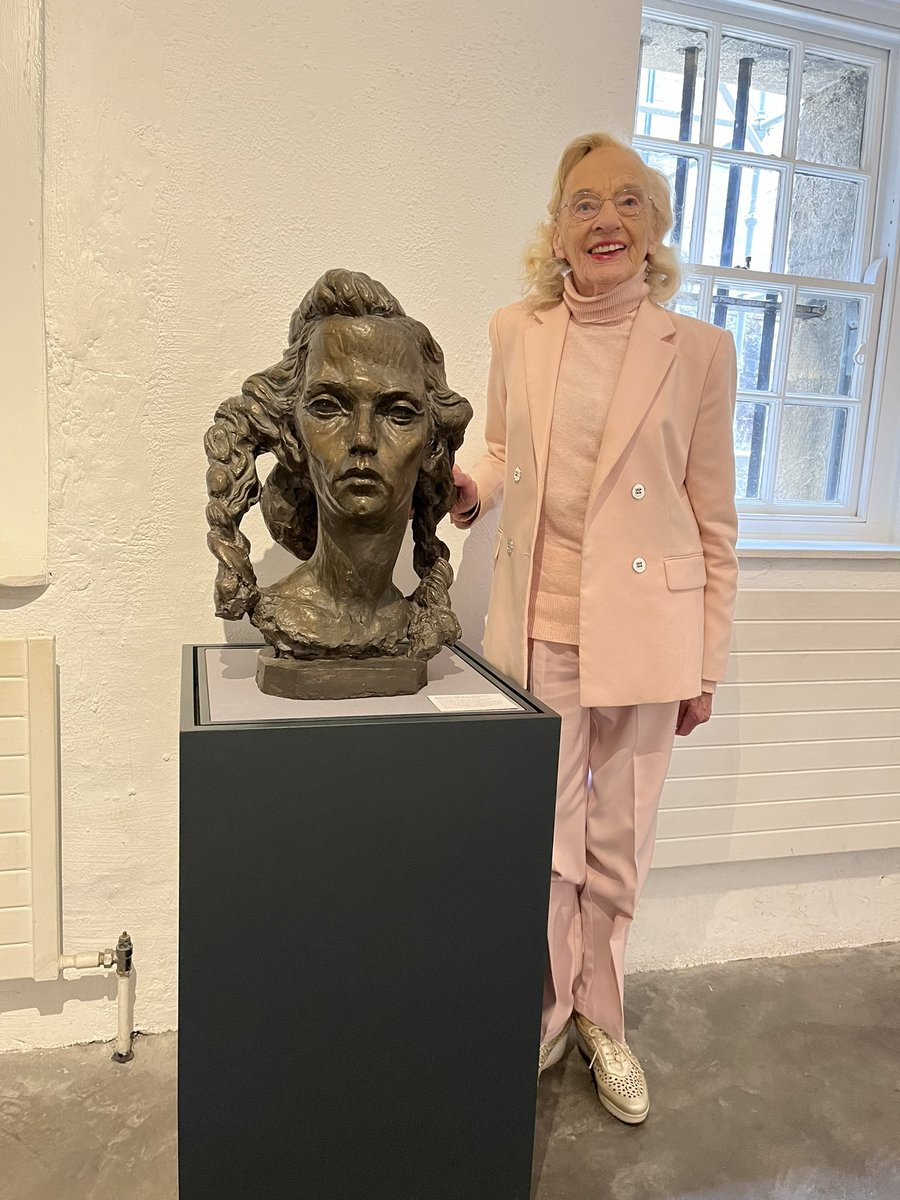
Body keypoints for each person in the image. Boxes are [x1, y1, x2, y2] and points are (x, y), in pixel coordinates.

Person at [451, 132, 738, 1124]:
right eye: (582, 204)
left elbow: (714, 516)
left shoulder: (699, 350)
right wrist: (467, 486)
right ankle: (541, 1016)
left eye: (625, 201)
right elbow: (494, 443)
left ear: (654, 227)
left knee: (618, 842)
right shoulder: (514, 329)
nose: (603, 219)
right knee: (547, 842)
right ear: (558, 229)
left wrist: (708, 660)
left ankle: (602, 1023)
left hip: (651, 634)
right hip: (538, 628)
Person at [205, 268, 472, 662]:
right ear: (292, 433)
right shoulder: (285, 611)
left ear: (432, 443)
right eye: (328, 407)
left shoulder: (413, 621)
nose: (362, 438)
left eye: (397, 413)